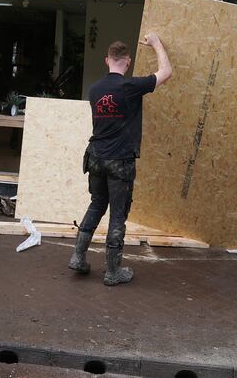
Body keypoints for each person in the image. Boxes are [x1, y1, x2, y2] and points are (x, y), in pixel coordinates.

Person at [68, 35, 172, 286]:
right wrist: (157, 44)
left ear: (107, 61)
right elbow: (166, 72)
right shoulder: (130, 87)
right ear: (127, 61)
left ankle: (78, 257)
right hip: (119, 162)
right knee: (117, 215)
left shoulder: (94, 90)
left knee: (96, 204)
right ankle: (113, 272)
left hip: (95, 158)